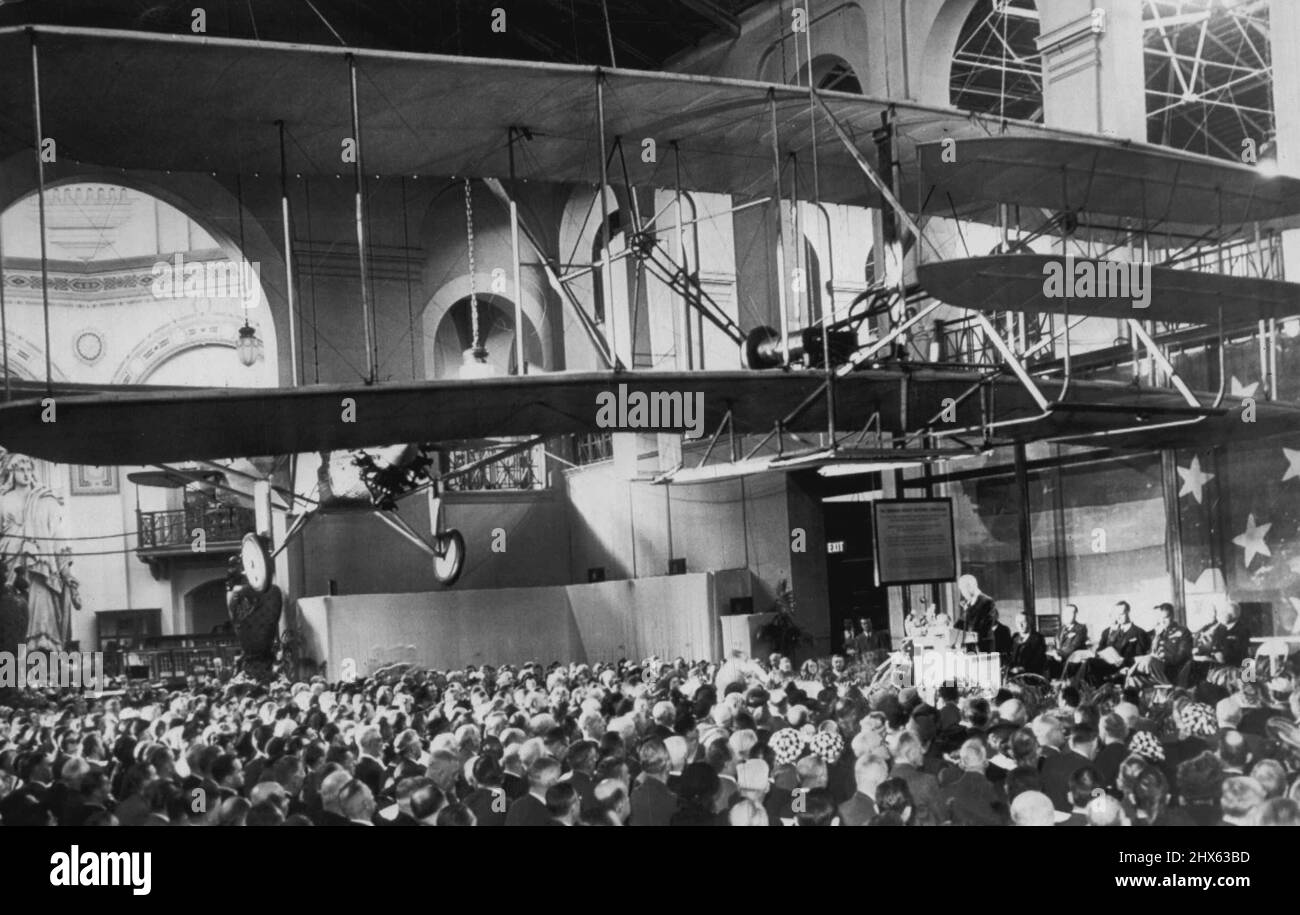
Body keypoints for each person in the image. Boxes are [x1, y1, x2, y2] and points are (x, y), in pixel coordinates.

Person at [1083, 602, 1149, 685]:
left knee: (1090, 666)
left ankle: (1098, 691)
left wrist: (1125, 661)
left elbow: (1140, 656)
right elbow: (1100, 649)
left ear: (1128, 612)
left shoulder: (1138, 632)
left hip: (1125, 665)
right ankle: (1096, 692)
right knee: (1089, 663)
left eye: (1121, 614)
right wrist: (1102, 654)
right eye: (1116, 614)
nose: (1118, 617)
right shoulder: (1112, 631)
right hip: (1109, 664)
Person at [1128, 603, 1192, 688]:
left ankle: (1172, 688)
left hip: (1173, 671)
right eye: (1160, 618)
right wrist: (1157, 636)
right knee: (1133, 679)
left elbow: (1183, 656)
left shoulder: (1183, 632)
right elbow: (1148, 651)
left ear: (1172, 616)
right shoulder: (1156, 633)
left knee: (1149, 660)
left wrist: (1162, 658)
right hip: (1155, 672)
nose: (1162, 621)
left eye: (1166, 617)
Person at [956, 575, 996, 654]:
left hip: (983, 646)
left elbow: (982, 625)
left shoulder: (987, 601)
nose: (962, 593)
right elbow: (960, 624)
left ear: (971, 586)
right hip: (971, 646)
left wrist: (968, 610)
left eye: (962, 589)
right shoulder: (969, 603)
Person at [1049, 604, 1089, 679]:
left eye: (1070, 613)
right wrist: (1054, 653)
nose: (1066, 615)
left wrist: (1058, 654)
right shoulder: (1060, 629)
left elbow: (1073, 647)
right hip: (1058, 660)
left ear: (1075, 615)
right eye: (1065, 613)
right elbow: (1055, 644)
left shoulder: (1081, 628)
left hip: (1073, 662)